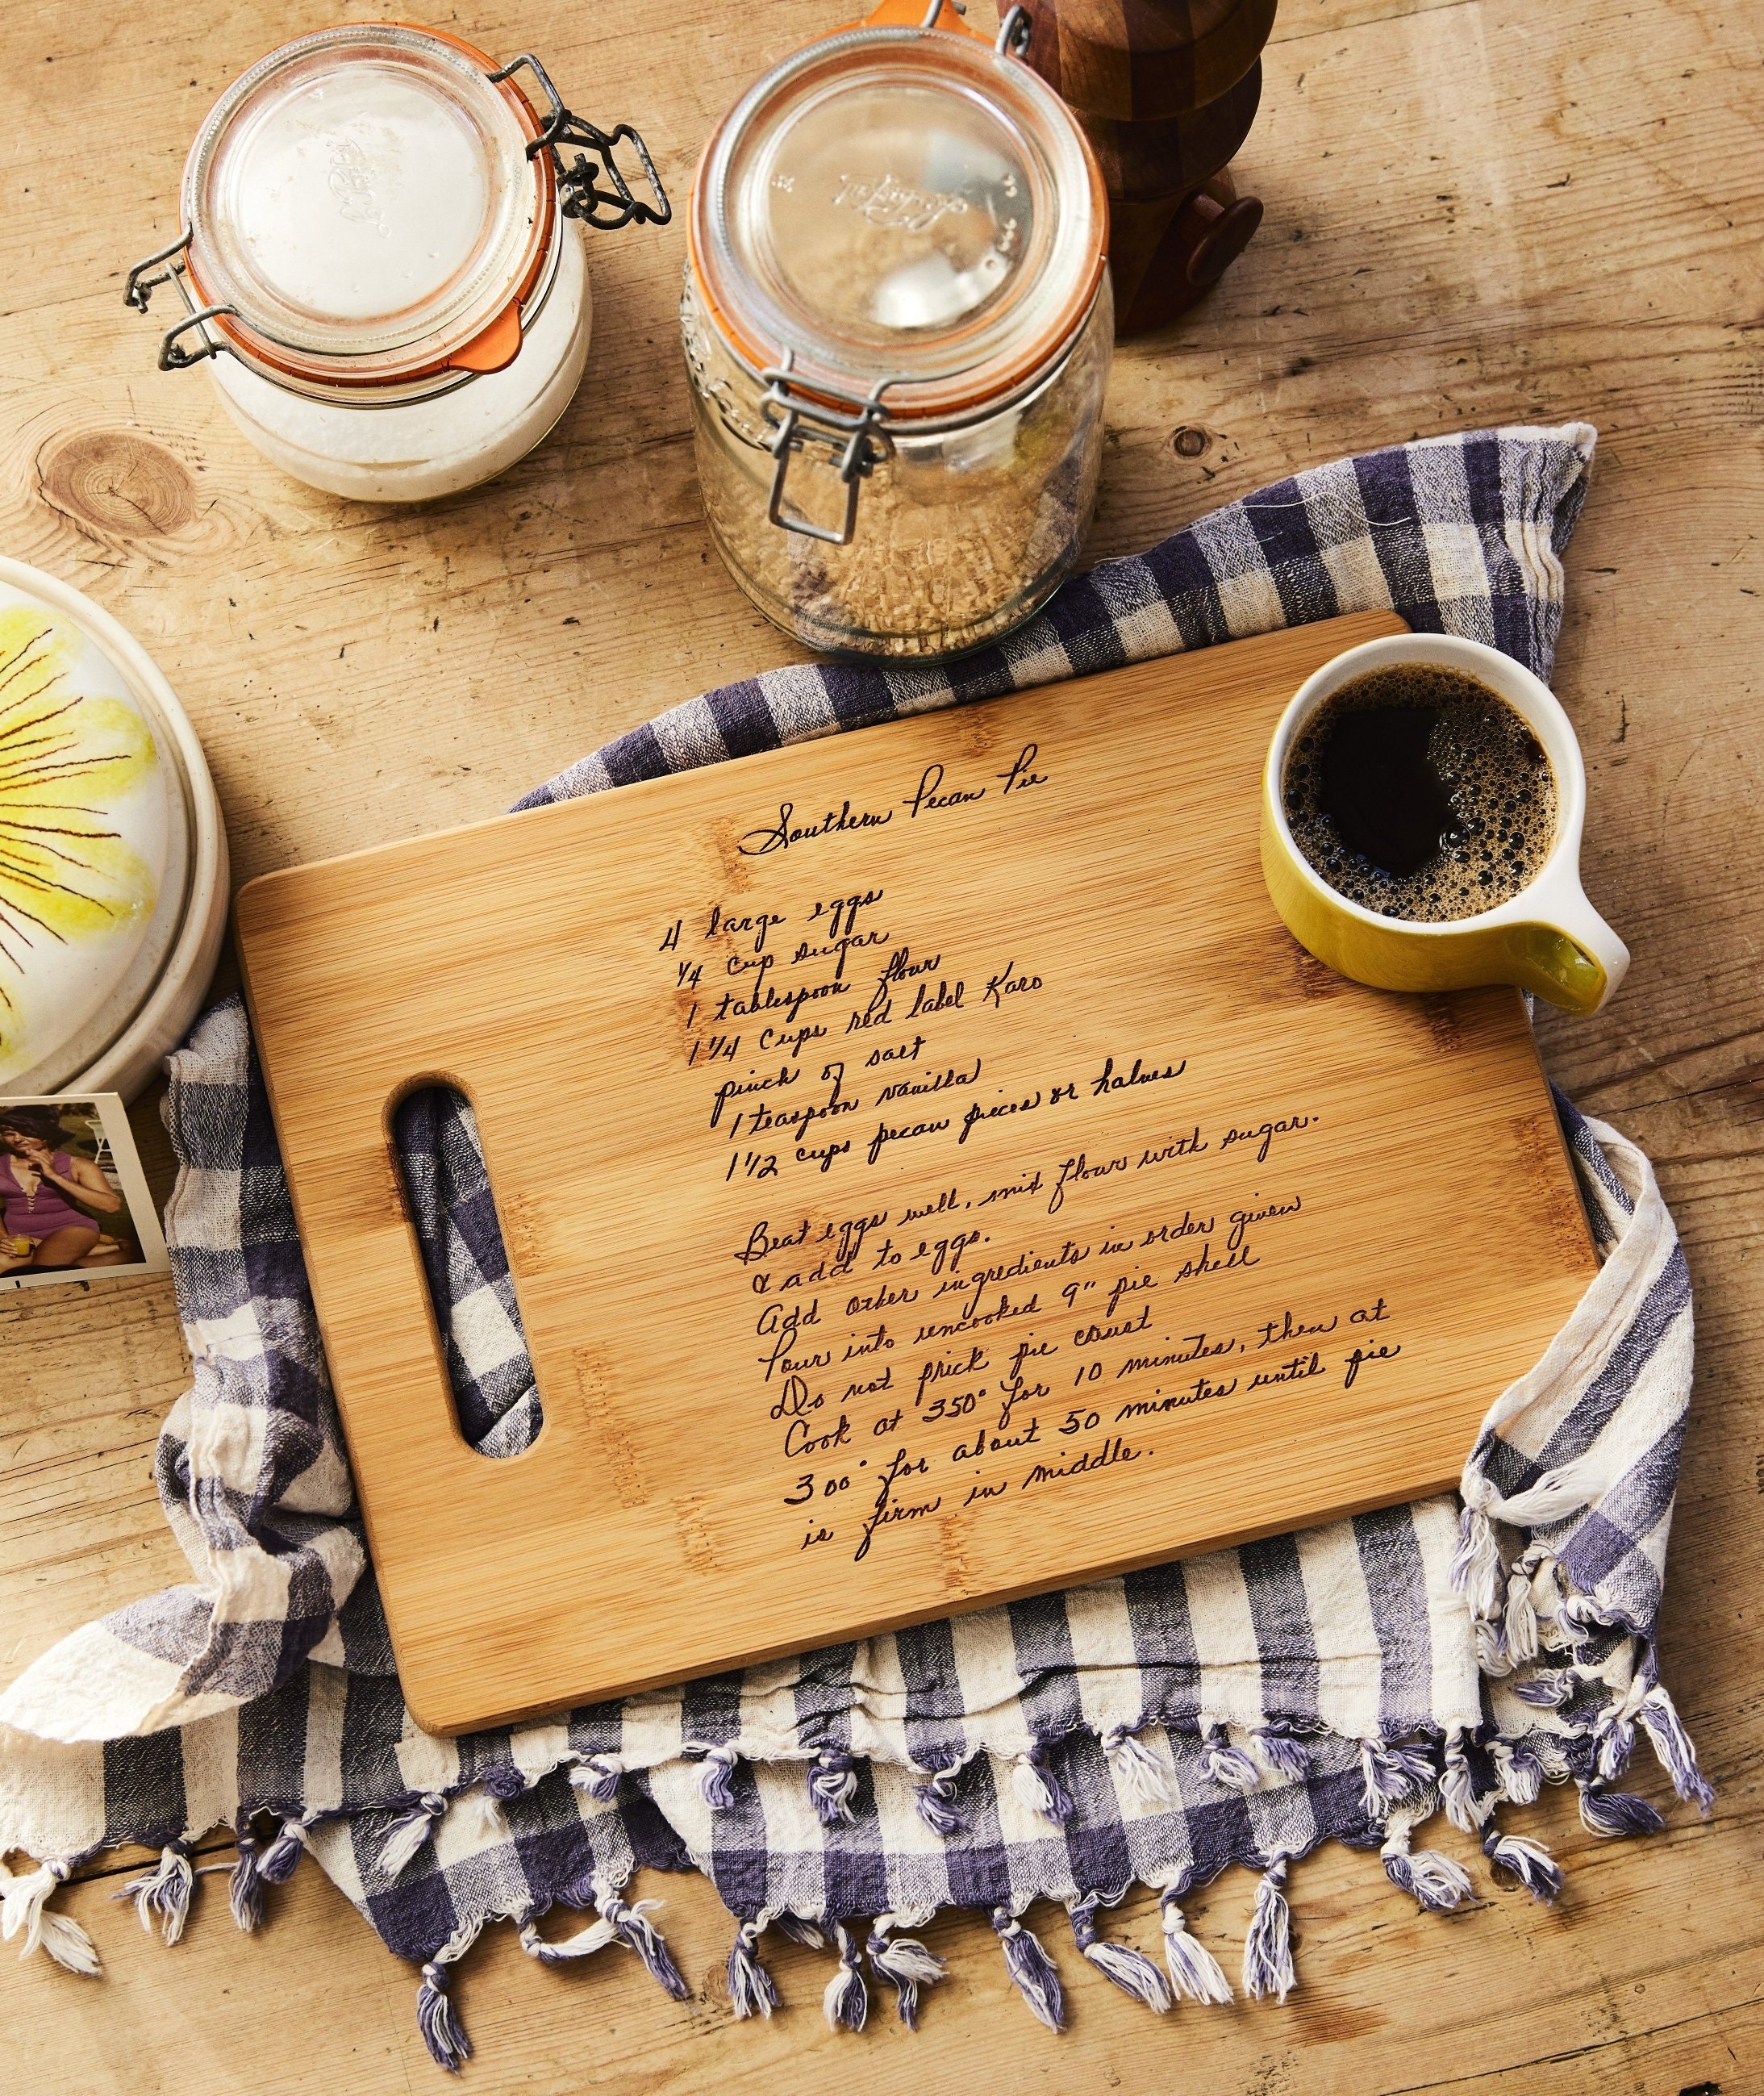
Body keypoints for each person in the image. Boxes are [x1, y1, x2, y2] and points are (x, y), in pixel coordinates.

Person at [0, 1109, 124, 1272]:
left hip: (71, 1229)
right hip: (22, 1237)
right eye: (9, 1133)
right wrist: (3, 1238)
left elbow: (112, 1205)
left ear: (48, 1134)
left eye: (26, 1132)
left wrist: (55, 1176)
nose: (17, 1139)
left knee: (43, 1272)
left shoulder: (77, 1165)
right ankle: (103, 1253)